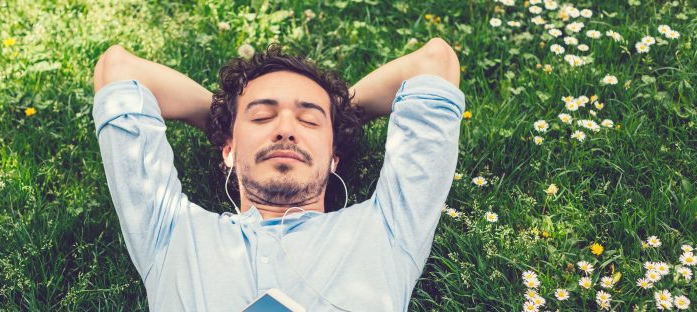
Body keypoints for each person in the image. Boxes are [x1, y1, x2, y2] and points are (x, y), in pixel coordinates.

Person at [92, 37, 464, 311]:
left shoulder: (387, 230)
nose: (286, 130)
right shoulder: (171, 233)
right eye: (262, 116)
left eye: (308, 120)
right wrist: (226, 121)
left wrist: (341, 117)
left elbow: (433, 62)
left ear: (334, 158)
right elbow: (119, 71)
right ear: (228, 151)